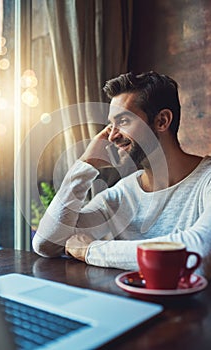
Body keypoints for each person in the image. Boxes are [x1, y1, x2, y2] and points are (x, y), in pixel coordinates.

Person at [32, 71, 211, 278]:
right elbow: (46, 243)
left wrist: (91, 251)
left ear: (162, 121)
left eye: (123, 121)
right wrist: (85, 165)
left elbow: (199, 254)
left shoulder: (206, 181)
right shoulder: (121, 194)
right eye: (111, 124)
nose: (112, 135)